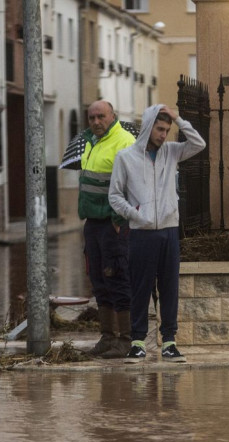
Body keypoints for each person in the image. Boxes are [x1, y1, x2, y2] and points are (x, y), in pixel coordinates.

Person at [108, 104, 206, 363]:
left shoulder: (172, 152)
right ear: (148, 126)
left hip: (169, 230)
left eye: (167, 130)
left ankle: (169, 343)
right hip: (141, 232)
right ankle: (138, 342)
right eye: (160, 129)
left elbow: (199, 144)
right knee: (140, 287)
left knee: (169, 287)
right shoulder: (125, 157)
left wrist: (179, 118)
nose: (163, 135)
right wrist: (135, 214)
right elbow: (115, 196)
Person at [78, 100, 137, 358]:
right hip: (93, 223)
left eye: (101, 116)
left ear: (113, 116)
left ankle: (126, 339)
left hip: (113, 224)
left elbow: (130, 185)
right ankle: (107, 337)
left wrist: (117, 219)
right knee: (99, 281)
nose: (96, 122)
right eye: (91, 118)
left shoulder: (123, 141)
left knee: (117, 277)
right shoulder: (91, 142)